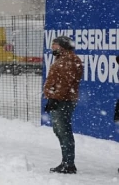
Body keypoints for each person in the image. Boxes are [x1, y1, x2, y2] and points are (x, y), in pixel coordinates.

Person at [44, 36, 83, 174]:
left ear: (63, 47)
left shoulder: (69, 60)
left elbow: (65, 83)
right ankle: (65, 161)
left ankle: (69, 163)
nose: (52, 49)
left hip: (63, 101)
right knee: (59, 130)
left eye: (55, 46)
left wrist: (55, 97)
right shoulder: (63, 59)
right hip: (60, 99)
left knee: (64, 130)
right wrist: (51, 97)